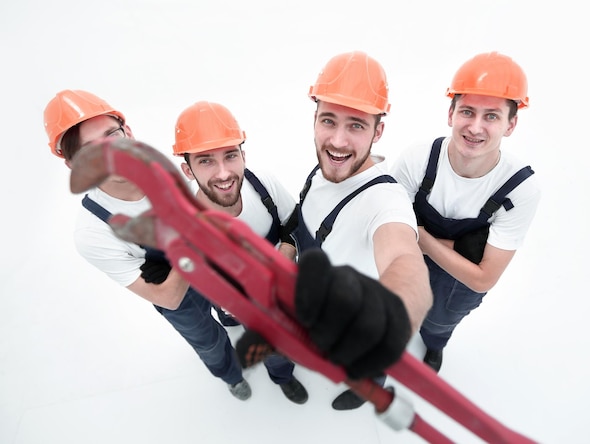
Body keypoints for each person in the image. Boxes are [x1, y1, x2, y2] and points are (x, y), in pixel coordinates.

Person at [43, 90, 249, 402]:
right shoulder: (93, 231)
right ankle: (231, 376)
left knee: (230, 299)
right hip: (181, 298)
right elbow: (167, 295)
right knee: (207, 342)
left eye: (112, 135)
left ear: (128, 132)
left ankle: (231, 316)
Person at [286, 51, 433, 410]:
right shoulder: (322, 170)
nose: (337, 141)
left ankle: (367, 388)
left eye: (356, 125)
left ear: (378, 131)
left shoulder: (385, 199)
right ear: (315, 118)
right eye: (329, 121)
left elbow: (402, 255)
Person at [390, 52, 541, 373]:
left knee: (439, 324)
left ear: (511, 124)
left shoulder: (519, 189)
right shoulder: (418, 159)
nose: (475, 127)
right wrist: (465, 253)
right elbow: (391, 234)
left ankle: (433, 346)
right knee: (395, 311)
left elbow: (484, 279)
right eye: (467, 111)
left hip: (455, 290)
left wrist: (422, 237)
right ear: (450, 113)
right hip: (406, 264)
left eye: (491, 116)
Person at [169, 100, 308, 404]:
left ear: (243, 155)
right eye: (205, 161)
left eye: (230, 156)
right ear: (187, 170)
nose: (223, 173)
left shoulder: (263, 185)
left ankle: (281, 376)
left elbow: (294, 222)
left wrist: (284, 257)